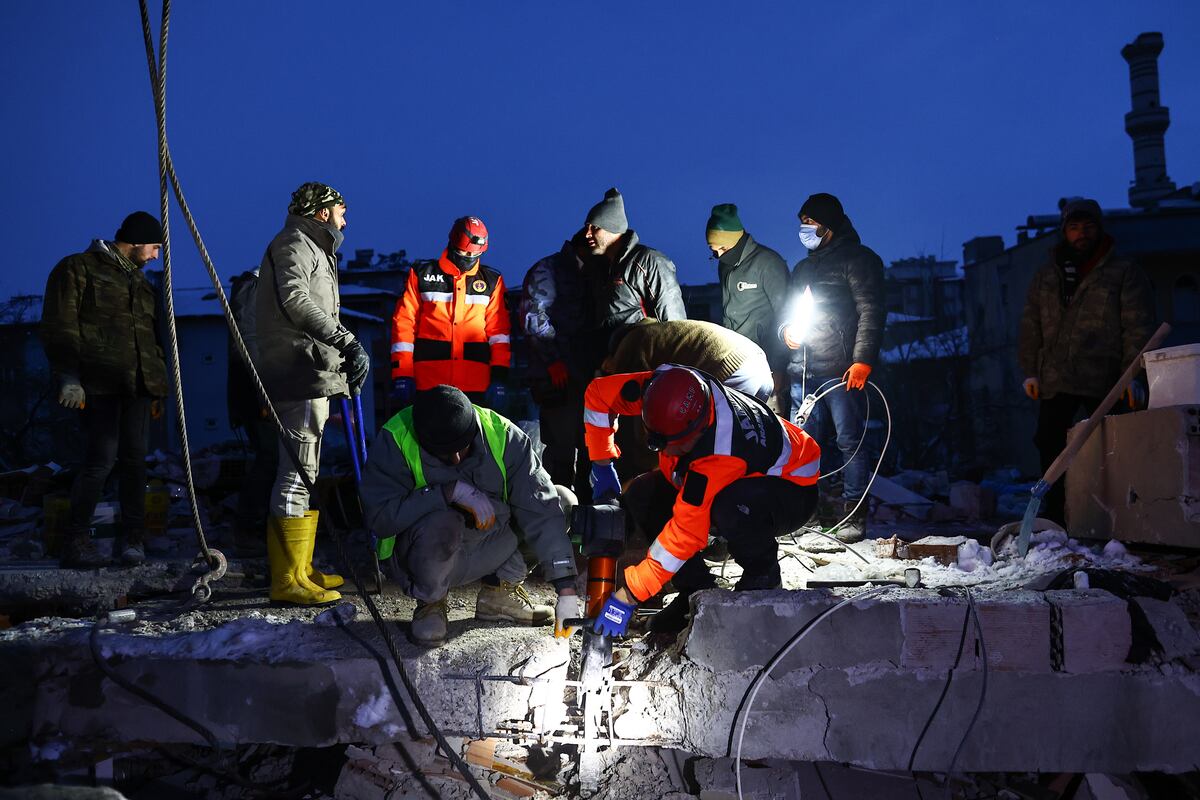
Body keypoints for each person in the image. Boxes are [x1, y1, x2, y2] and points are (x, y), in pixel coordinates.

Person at [583, 364, 820, 635]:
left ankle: (762, 576)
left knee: (729, 506)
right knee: (642, 493)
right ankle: (695, 591)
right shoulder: (666, 384)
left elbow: (683, 536)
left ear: (695, 431)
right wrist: (601, 463)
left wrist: (627, 597)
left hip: (792, 488)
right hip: (752, 472)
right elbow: (599, 394)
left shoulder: (719, 452)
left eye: (668, 443)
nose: (664, 450)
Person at [359, 385, 580, 647]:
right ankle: (431, 602)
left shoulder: (503, 435)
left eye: (462, 447)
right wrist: (444, 493)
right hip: (422, 554)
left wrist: (566, 589)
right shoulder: (396, 438)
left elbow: (542, 508)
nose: (454, 458)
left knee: (563, 502)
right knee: (444, 522)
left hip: (487, 545)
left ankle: (499, 594)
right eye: (443, 453)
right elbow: (380, 518)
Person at [256, 182, 371, 605]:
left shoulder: (313, 246)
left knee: (306, 471)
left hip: (311, 370)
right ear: (322, 212)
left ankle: (300, 568)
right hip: (297, 370)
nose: (346, 219)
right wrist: (347, 341)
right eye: (342, 210)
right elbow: (297, 301)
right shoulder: (294, 243)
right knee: (296, 473)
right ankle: (286, 580)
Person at [40, 211, 169, 568]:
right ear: (137, 241)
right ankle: (77, 539)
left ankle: (133, 539)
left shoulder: (141, 283)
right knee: (101, 461)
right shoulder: (78, 269)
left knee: (135, 462)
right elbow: (60, 324)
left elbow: (151, 339)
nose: (157, 255)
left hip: (137, 387)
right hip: (99, 384)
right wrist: (68, 375)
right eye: (155, 247)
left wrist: (156, 389)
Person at [1017, 198, 1155, 525]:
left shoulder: (1122, 272)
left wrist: (1133, 374)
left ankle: (1120, 516)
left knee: (1112, 447)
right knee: (1050, 444)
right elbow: (1030, 323)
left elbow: (1137, 325)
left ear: (1099, 228)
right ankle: (1054, 517)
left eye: (1088, 226)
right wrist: (1030, 371)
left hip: (1105, 378)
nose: (1082, 234)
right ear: (1064, 231)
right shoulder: (1048, 275)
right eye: (1075, 227)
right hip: (1056, 377)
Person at [780, 193, 884, 542]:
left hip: (841, 370)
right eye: (802, 222)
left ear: (827, 224)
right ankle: (809, 514)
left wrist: (862, 360)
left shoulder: (859, 260)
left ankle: (853, 514)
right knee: (805, 445)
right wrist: (787, 332)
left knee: (849, 441)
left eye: (809, 222)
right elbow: (788, 312)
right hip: (804, 370)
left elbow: (871, 311)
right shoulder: (803, 268)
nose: (804, 229)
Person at [601, 318, 777, 482]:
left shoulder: (629, 347)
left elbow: (642, 422)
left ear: (607, 359)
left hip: (728, 369)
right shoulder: (657, 333)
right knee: (747, 445)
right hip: (756, 364)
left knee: (703, 452)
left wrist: (633, 474)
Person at [390, 216, 511, 411]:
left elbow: (500, 334)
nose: (468, 258)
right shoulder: (421, 274)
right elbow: (403, 325)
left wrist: (500, 378)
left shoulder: (492, 281)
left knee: (476, 441)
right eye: (464, 252)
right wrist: (402, 374)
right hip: (428, 383)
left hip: (477, 386)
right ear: (453, 243)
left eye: (474, 255)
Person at [517, 228, 598, 499]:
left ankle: (587, 515)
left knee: (592, 450)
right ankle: (558, 513)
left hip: (587, 377)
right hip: (558, 379)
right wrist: (553, 361)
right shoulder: (549, 270)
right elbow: (533, 319)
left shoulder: (593, 270)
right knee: (560, 453)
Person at [705, 203, 790, 409]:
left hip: (766, 363)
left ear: (736, 239)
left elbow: (785, 315)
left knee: (770, 425)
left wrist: (779, 367)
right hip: (735, 361)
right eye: (712, 250)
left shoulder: (768, 263)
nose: (718, 254)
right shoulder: (724, 265)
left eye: (723, 248)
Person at [583, 187, 687, 342]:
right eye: (587, 227)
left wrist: (672, 356)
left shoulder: (648, 261)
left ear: (613, 227)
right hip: (616, 360)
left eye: (595, 227)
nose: (587, 234)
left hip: (645, 360)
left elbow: (673, 321)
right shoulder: (601, 268)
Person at [225, 267, 273, 558]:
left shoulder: (264, 290)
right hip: (259, 392)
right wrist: (263, 393)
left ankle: (258, 529)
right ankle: (248, 530)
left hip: (267, 389)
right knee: (270, 458)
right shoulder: (254, 289)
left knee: (274, 460)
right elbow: (249, 343)